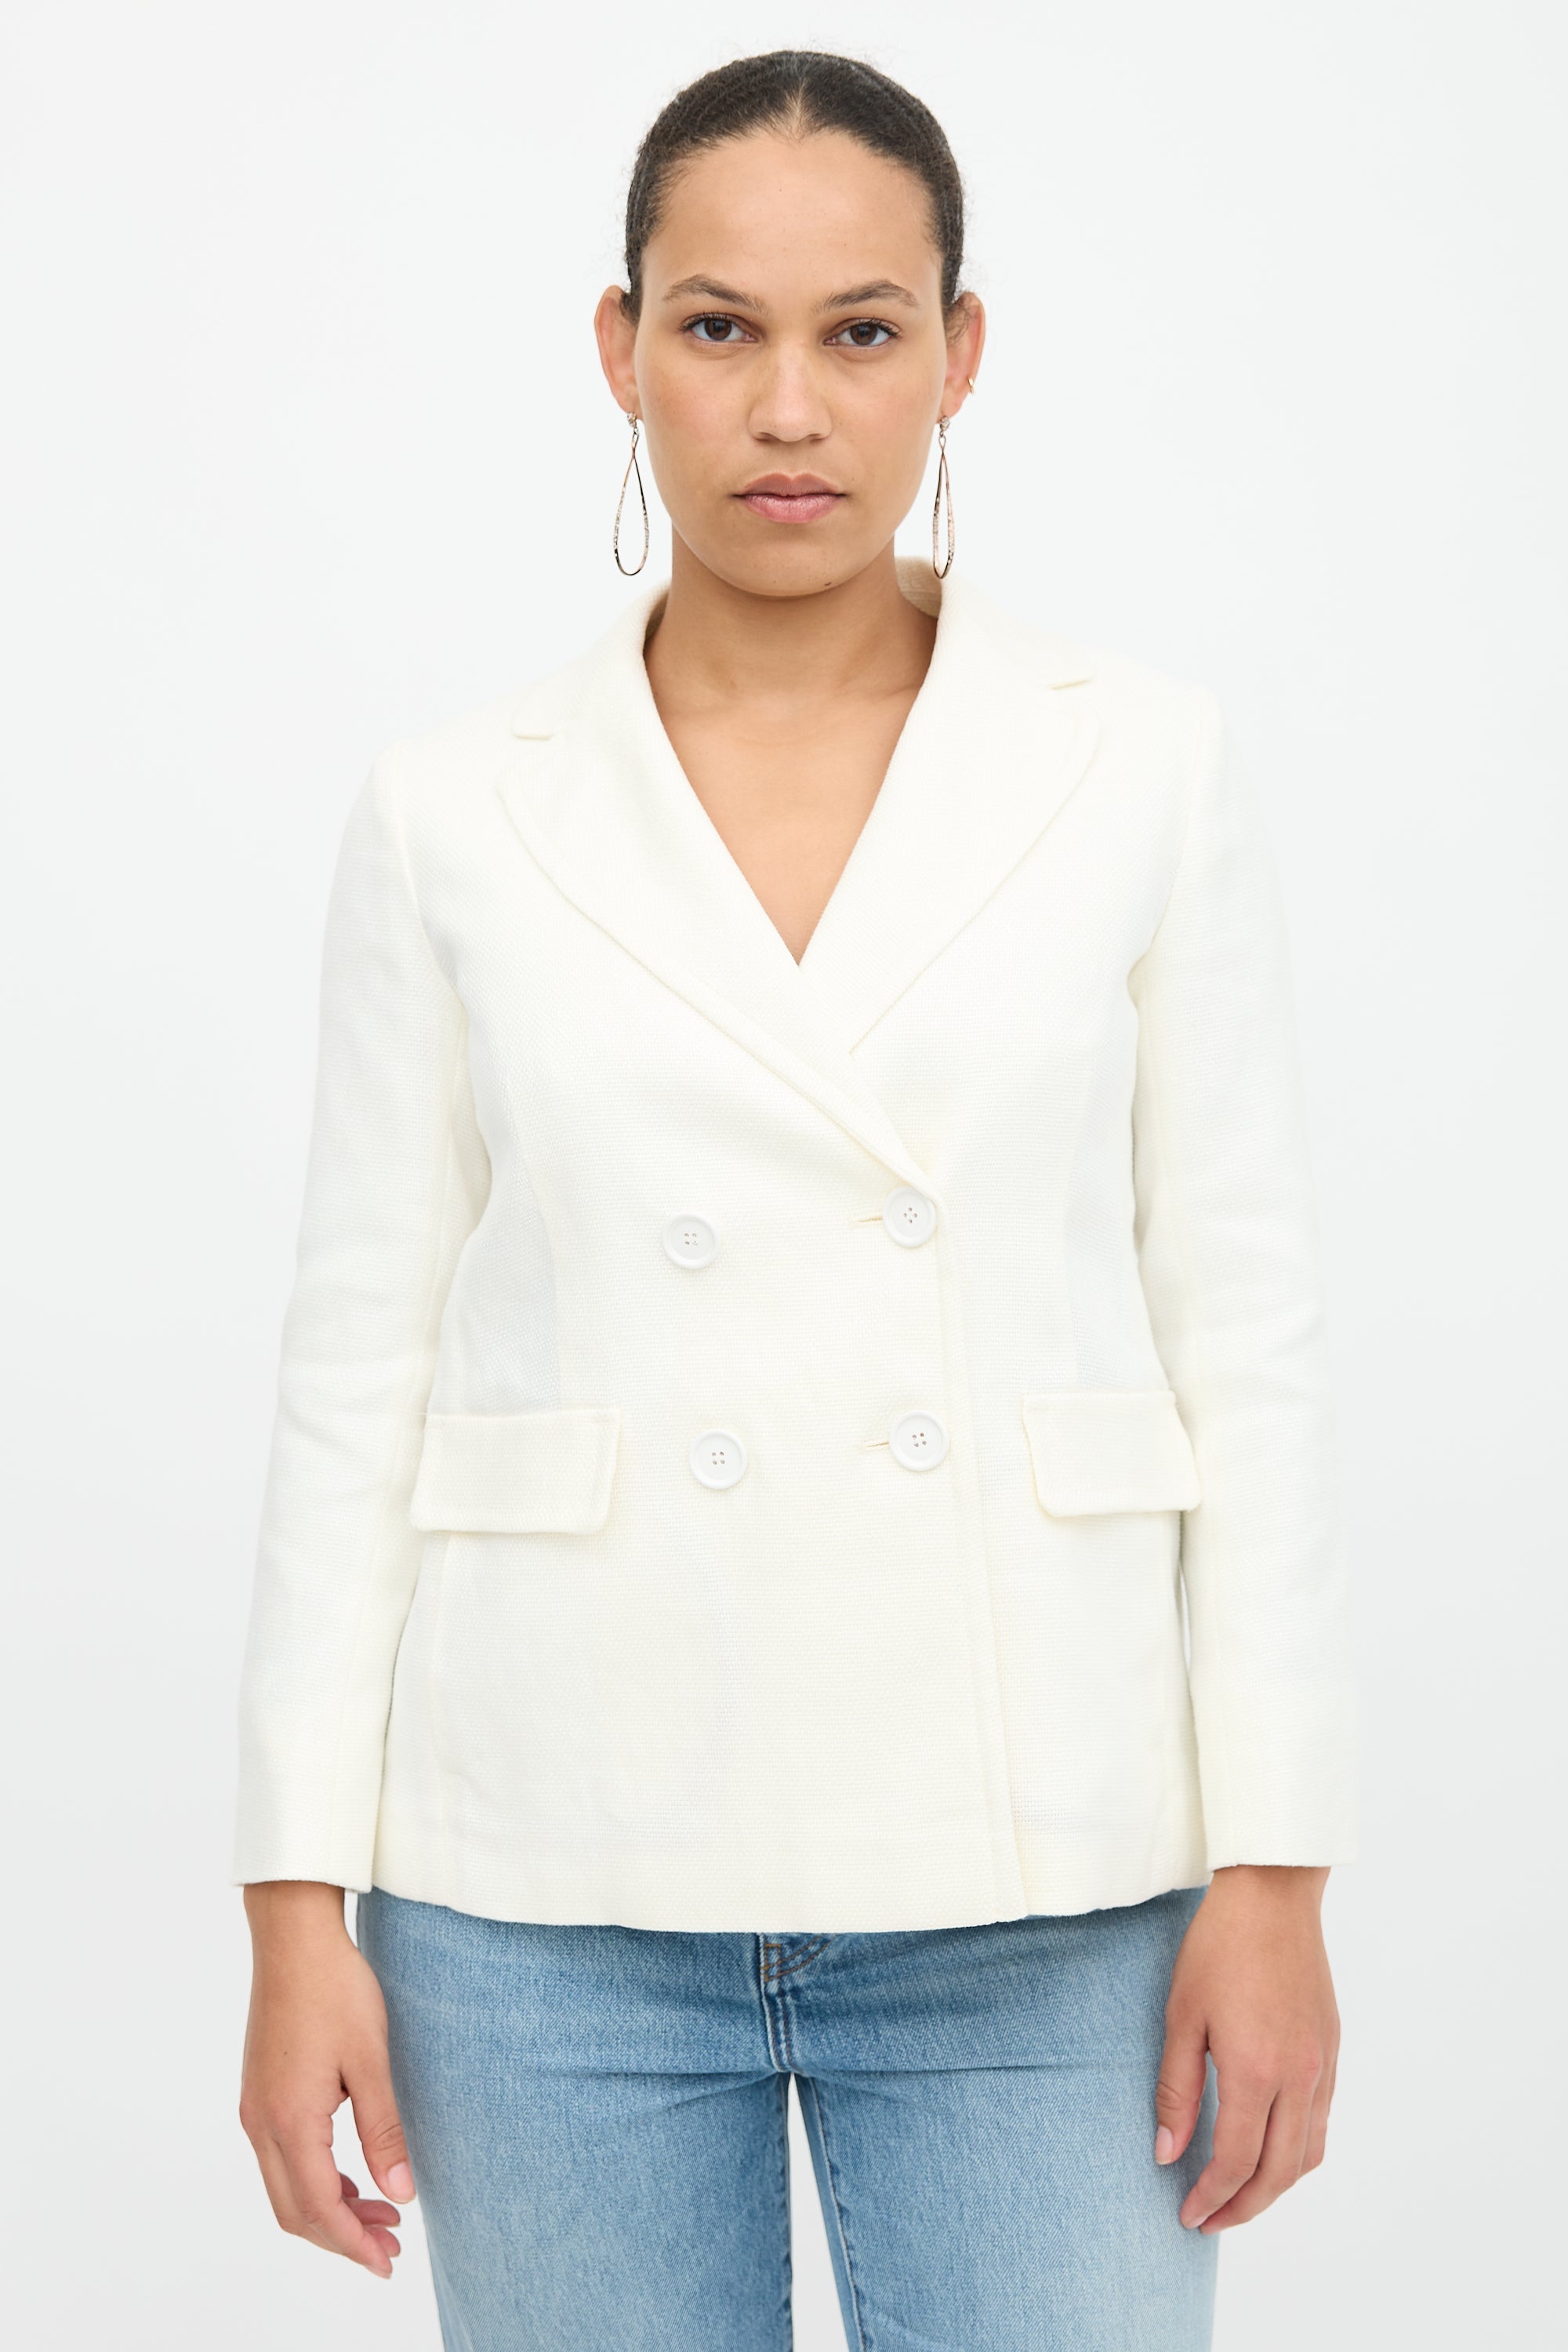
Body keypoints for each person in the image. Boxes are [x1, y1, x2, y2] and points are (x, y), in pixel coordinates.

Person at [235, 49, 1356, 2352]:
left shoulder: (1136, 763)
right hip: (546, 1870)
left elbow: (1243, 1335)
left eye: (861, 331)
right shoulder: (458, 808)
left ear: (960, 352)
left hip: (1049, 1872)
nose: (788, 408)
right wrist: (290, 1903)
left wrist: (1277, 1866)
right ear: (620, 348)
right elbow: (359, 1367)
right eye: (718, 327)